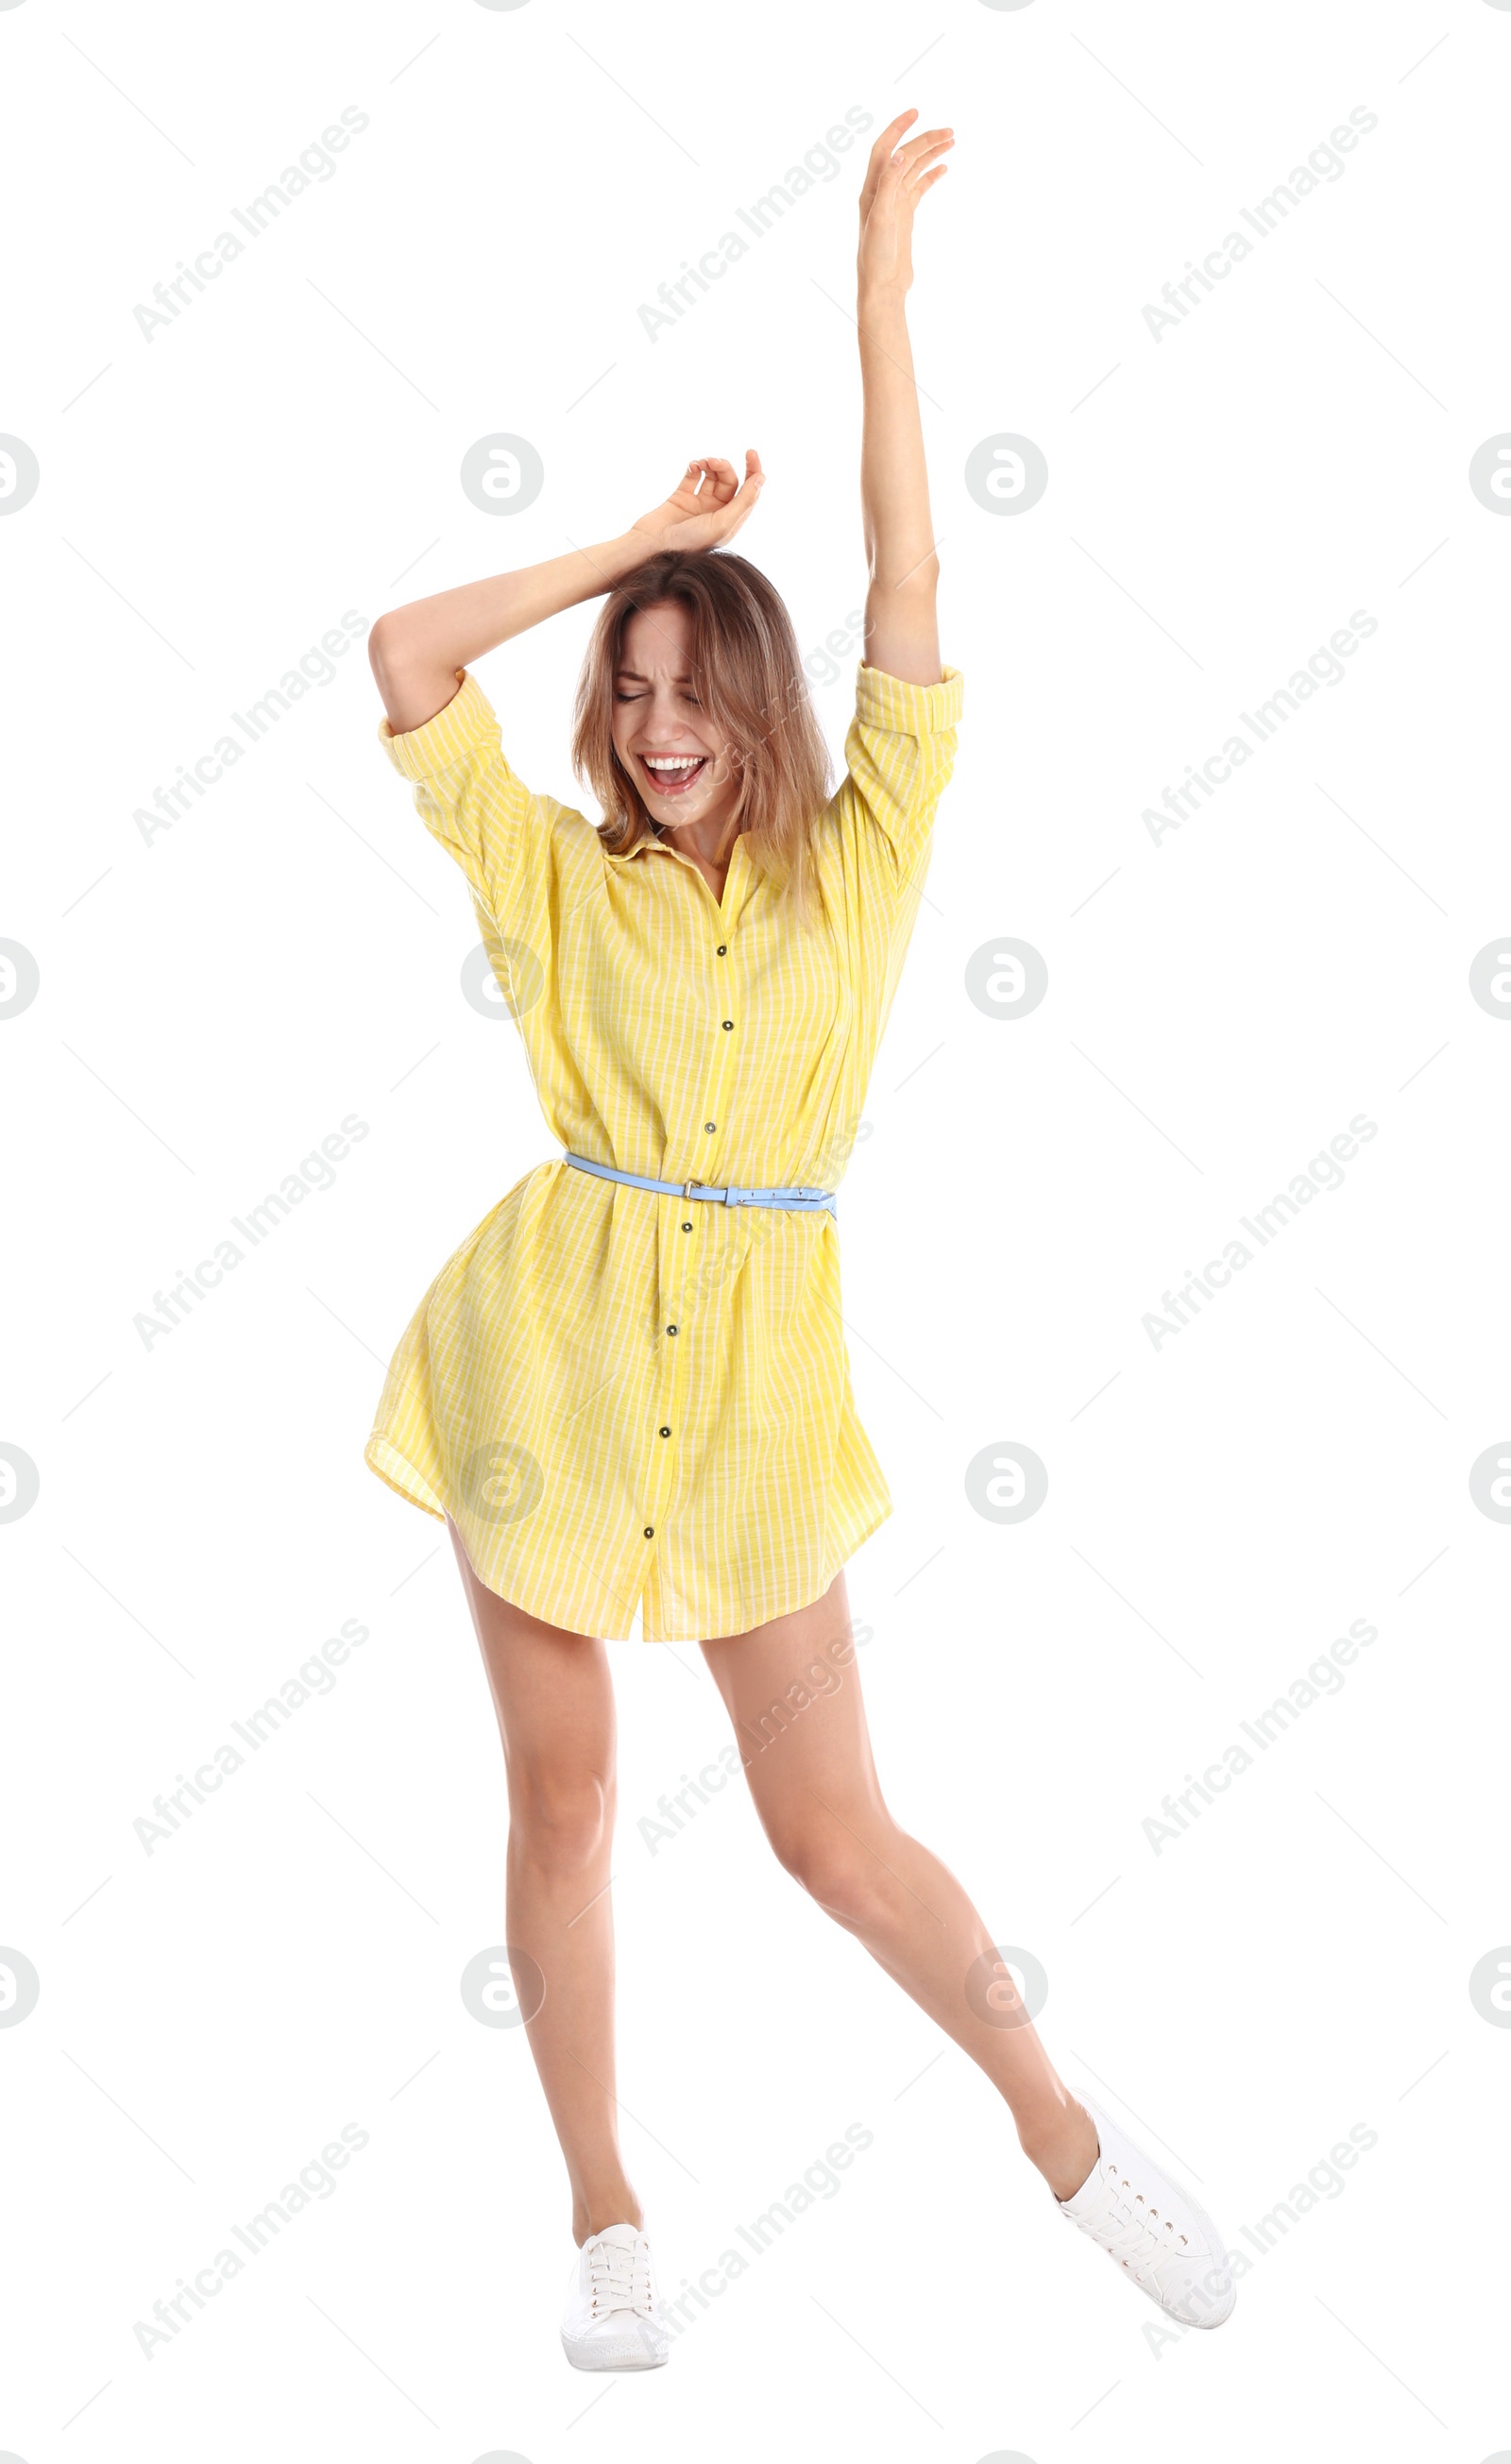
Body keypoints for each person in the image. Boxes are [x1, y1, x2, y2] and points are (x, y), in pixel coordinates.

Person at [364, 109, 1236, 2371]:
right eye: (631, 693)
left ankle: (1057, 2132)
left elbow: (910, 587)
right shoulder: (554, 874)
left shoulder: (862, 858)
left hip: (758, 1385)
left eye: (686, 685)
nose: (653, 725)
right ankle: (605, 2211)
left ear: (754, 707)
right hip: (545, 1361)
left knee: (829, 1838)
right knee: (562, 1806)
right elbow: (400, 649)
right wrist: (635, 545)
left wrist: (874, 292)